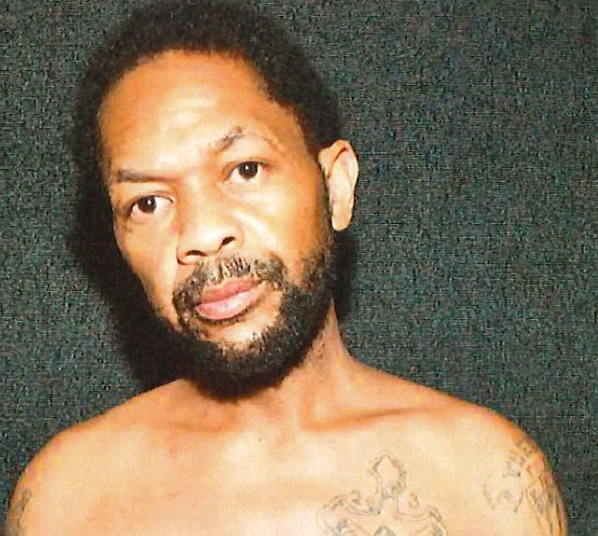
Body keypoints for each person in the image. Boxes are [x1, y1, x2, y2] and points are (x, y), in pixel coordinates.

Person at [4, 1, 567, 535]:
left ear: (335, 187)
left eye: (245, 169)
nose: (201, 234)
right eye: (148, 203)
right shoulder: (67, 498)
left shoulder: (483, 479)